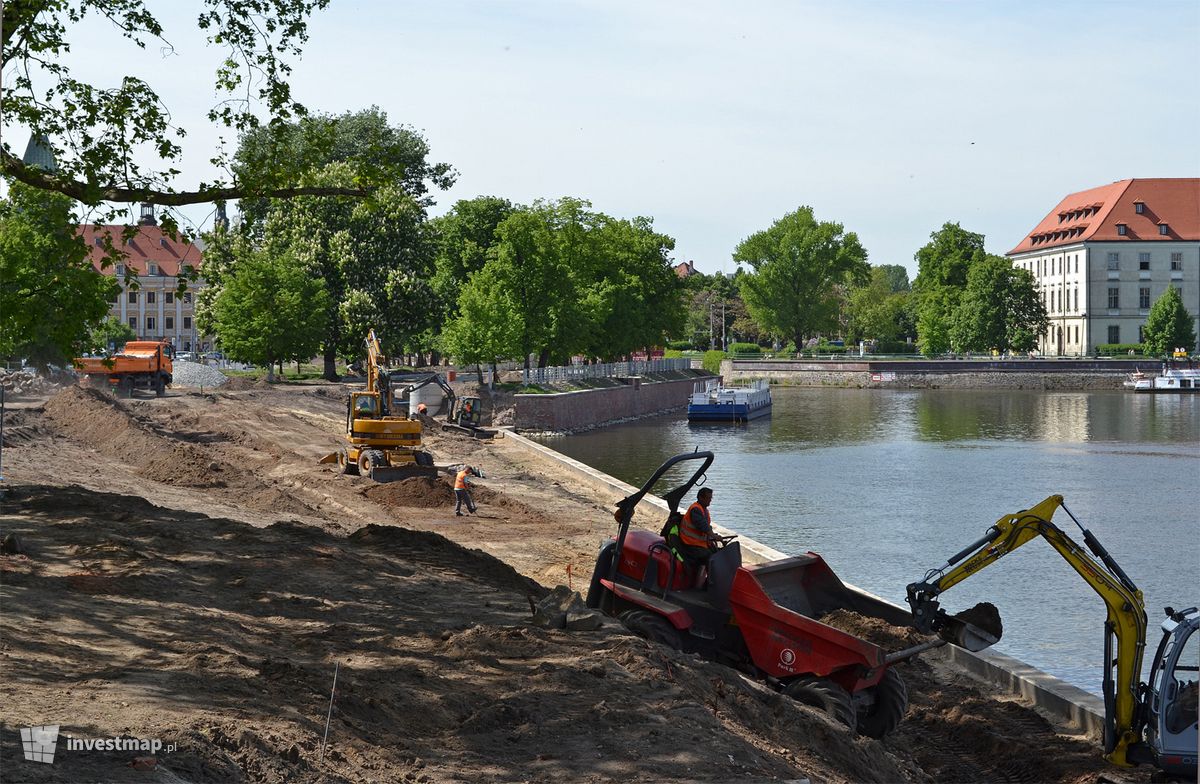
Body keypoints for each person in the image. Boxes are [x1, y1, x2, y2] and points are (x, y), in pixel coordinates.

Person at [667, 487, 718, 566]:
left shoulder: (704, 510)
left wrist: (713, 536)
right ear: (700, 497)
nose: (710, 500)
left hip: (699, 543)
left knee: (717, 552)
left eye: (711, 498)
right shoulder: (695, 509)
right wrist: (713, 535)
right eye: (708, 498)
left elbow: (707, 526)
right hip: (689, 543)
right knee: (709, 557)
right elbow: (703, 526)